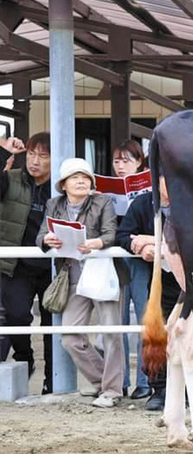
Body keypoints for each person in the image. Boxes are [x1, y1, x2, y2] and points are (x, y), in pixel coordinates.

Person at [38, 157, 125, 408]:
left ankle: (112, 390)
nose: (81, 181)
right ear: (63, 184)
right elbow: (42, 234)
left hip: (101, 270)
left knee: (111, 333)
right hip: (72, 274)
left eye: (85, 177)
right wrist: (47, 241)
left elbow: (112, 232)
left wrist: (97, 243)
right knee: (70, 337)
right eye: (75, 177)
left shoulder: (102, 201)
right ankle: (100, 381)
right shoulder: (53, 204)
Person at [115, 178, 181, 411]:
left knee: (184, 334)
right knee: (155, 333)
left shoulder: (190, 202)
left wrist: (153, 241)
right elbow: (123, 234)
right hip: (155, 279)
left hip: (186, 279)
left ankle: (184, 389)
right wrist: (138, 246)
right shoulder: (143, 203)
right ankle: (160, 389)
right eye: (167, 178)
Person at [0, 133, 53, 394]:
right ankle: (24, 357)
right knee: (17, 315)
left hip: (53, 268)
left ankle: (52, 379)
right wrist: (4, 152)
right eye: (31, 154)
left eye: (43, 156)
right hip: (16, 264)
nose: (35, 161)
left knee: (52, 323)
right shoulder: (11, 180)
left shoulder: (61, 187)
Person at [111, 140, 154, 401]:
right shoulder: (105, 191)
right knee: (117, 324)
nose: (120, 166)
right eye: (117, 160)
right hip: (117, 257)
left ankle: (145, 380)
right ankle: (121, 380)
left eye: (126, 160)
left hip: (141, 257)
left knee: (144, 320)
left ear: (140, 162)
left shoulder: (151, 192)